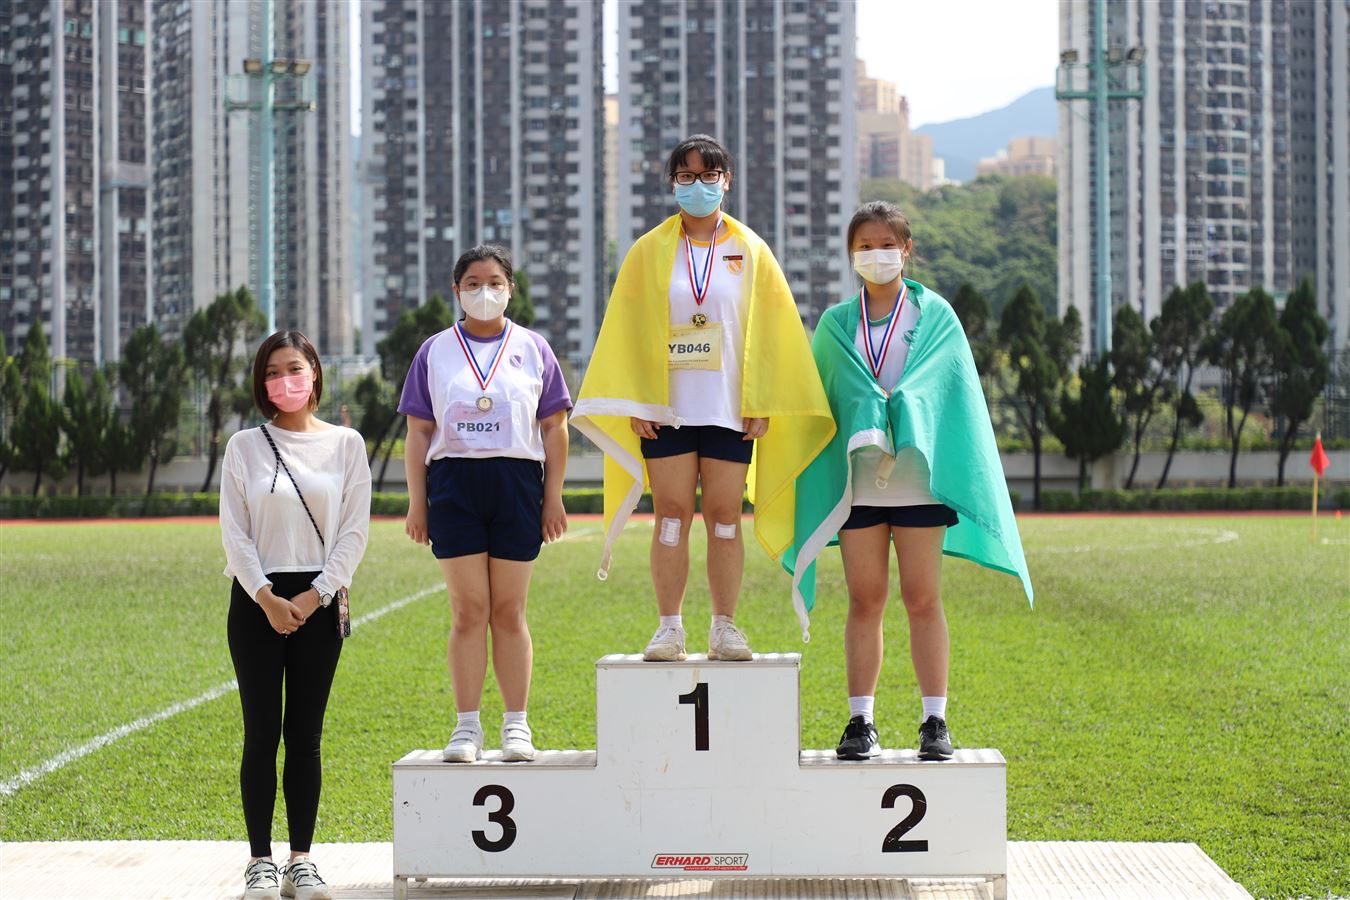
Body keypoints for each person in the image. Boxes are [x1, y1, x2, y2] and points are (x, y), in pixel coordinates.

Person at [783, 200, 1033, 762]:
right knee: (864, 599)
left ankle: (934, 721)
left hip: (919, 480)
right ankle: (860, 721)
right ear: (851, 255)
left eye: (886, 245)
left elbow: (952, 389)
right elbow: (820, 396)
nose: (876, 255)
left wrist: (904, 402)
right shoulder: (836, 325)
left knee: (922, 598)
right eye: (864, 246)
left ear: (907, 249)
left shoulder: (935, 315)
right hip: (858, 485)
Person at [572, 134, 833, 662]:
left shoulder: (751, 249)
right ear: (673, 184)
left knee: (724, 517)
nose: (698, 185)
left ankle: (724, 627)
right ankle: (669, 628)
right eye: (686, 176)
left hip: (729, 409)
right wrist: (635, 402)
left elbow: (775, 330)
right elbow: (625, 329)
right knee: (671, 516)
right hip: (665, 409)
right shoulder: (648, 251)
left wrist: (763, 400)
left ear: (726, 181)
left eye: (708, 175)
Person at [400, 244, 571, 763]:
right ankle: (466, 727)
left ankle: (517, 724)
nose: (484, 292)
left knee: (510, 610)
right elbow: (418, 432)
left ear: (510, 289)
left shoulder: (533, 347)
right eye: (472, 284)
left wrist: (552, 498)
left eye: (495, 282)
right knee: (468, 610)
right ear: (456, 290)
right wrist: (417, 503)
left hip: (517, 483)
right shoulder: (434, 351)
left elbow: (555, 426)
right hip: (454, 485)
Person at [221, 331, 371, 900]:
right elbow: (235, 534)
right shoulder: (243, 447)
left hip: (320, 601)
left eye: (293, 368)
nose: (284, 380)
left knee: (305, 736)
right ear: (262, 385)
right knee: (260, 734)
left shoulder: (346, 444)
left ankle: (301, 863)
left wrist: (315, 595)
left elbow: (354, 531)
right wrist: (266, 597)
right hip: (255, 600)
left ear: (314, 373)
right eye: (272, 372)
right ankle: (260, 863)